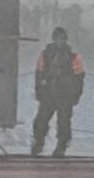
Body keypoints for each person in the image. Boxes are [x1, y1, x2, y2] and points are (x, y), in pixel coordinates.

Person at [32, 27, 86, 156]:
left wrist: (76, 94)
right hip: (48, 93)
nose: (59, 41)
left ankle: (61, 146)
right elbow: (39, 73)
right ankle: (38, 143)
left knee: (63, 122)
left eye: (62, 38)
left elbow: (79, 77)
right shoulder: (45, 54)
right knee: (41, 121)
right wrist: (39, 91)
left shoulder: (73, 56)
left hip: (65, 94)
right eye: (57, 38)